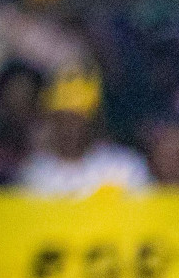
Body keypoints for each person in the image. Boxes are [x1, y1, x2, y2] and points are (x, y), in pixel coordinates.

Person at [18, 70, 151, 196]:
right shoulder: (34, 173)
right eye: (62, 119)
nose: (69, 128)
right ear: (51, 122)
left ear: (95, 122)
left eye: (78, 120)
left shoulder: (124, 167)